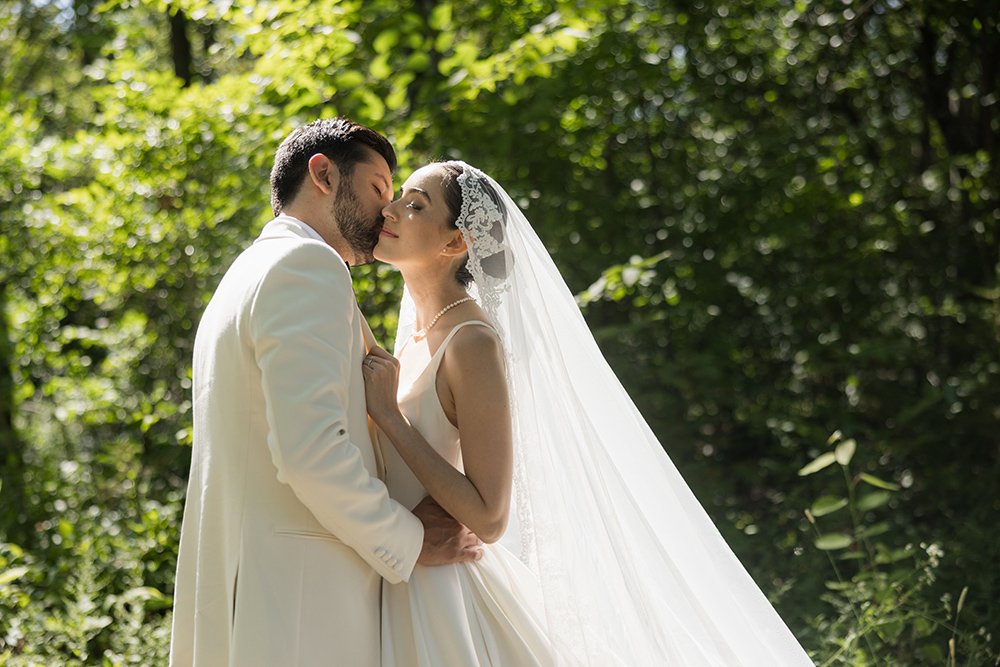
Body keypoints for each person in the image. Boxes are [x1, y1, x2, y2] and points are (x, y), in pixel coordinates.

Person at [361, 161, 816, 666]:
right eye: (399, 198)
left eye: (415, 205)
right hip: (404, 572)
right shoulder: (416, 336)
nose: (390, 209)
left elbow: (489, 517)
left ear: (455, 242)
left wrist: (390, 419)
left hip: (446, 596)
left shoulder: (471, 342)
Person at [168, 119, 482, 667]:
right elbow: (310, 451)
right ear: (323, 174)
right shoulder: (307, 266)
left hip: (254, 595)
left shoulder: (246, 272)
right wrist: (409, 539)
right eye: (379, 188)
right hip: (299, 607)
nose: (387, 210)